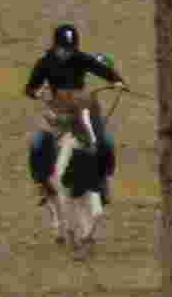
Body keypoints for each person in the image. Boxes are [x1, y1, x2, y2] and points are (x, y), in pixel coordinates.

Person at [22, 21, 122, 189]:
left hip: (81, 105)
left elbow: (100, 69)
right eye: (63, 49)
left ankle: (104, 177)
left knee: (105, 140)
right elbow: (30, 87)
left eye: (70, 49)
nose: (66, 53)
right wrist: (36, 93)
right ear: (55, 46)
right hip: (56, 108)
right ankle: (41, 181)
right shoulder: (45, 62)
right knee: (37, 142)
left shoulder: (81, 58)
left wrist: (117, 80)